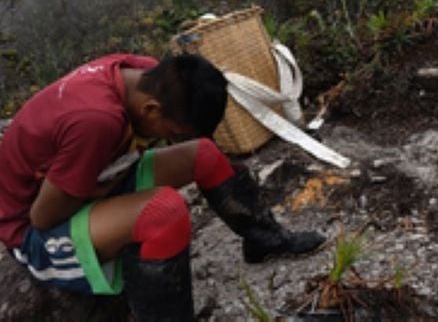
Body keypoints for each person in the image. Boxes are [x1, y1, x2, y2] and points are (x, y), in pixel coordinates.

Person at [0, 53, 325, 321]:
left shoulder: (138, 72)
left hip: (87, 181)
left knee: (206, 156)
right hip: (33, 228)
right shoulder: (96, 121)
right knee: (164, 212)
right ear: (150, 109)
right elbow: (43, 216)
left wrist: (105, 178)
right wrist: (101, 186)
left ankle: (262, 239)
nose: (172, 141)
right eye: (174, 132)